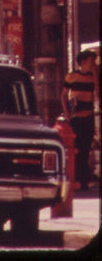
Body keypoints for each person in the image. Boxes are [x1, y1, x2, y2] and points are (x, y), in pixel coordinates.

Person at [61, 49, 98, 191]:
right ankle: (75, 178)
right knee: (75, 149)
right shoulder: (72, 77)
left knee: (86, 149)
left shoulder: (92, 77)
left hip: (88, 117)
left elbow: (96, 92)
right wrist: (66, 113)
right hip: (76, 118)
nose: (93, 64)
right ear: (82, 62)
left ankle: (83, 180)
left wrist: (94, 72)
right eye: (91, 61)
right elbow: (63, 95)